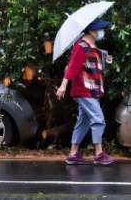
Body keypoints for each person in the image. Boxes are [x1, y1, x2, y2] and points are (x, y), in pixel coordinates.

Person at [55, 18, 115, 165]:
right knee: (99, 119)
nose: (102, 32)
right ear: (93, 31)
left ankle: (73, 154)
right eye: (100, 29)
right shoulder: (81, 46)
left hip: (92, 89)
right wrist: (63, 86)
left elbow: (93, 60)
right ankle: (99, 153)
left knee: (84, 121)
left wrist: (106, 58)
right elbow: (71, 67)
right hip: (84, 90)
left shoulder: (91, 45)